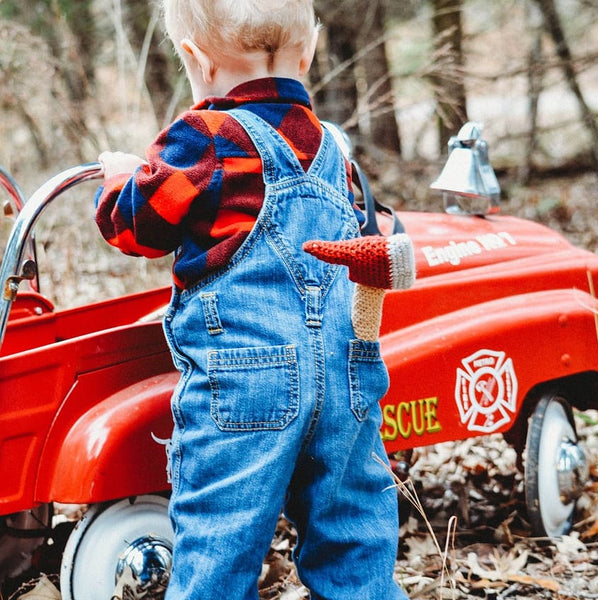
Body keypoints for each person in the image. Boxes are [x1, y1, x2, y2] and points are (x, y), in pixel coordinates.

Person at [95, 1, 411, 598]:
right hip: (348, 381)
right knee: (354, 537)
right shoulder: (332, 151)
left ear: (195, 60)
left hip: (247, 380)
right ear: (310, 51)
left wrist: (121, 178)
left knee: (222, 539)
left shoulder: (206, 139)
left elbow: (135, 227)